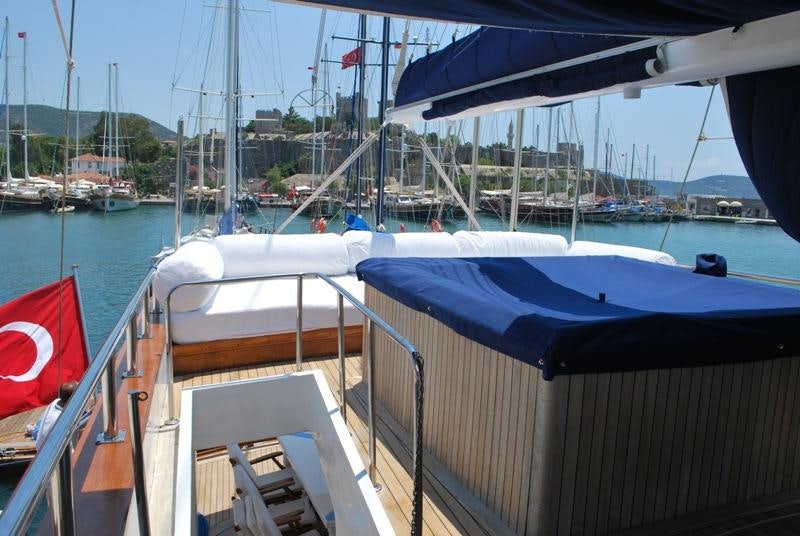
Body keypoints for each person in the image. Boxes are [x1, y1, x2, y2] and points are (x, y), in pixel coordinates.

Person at [32, 381, 78, 451]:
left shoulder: (54, 402)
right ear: (73, 398)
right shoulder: (62, 419)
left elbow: (38, 428)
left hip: (39, 445)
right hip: (51, 455)